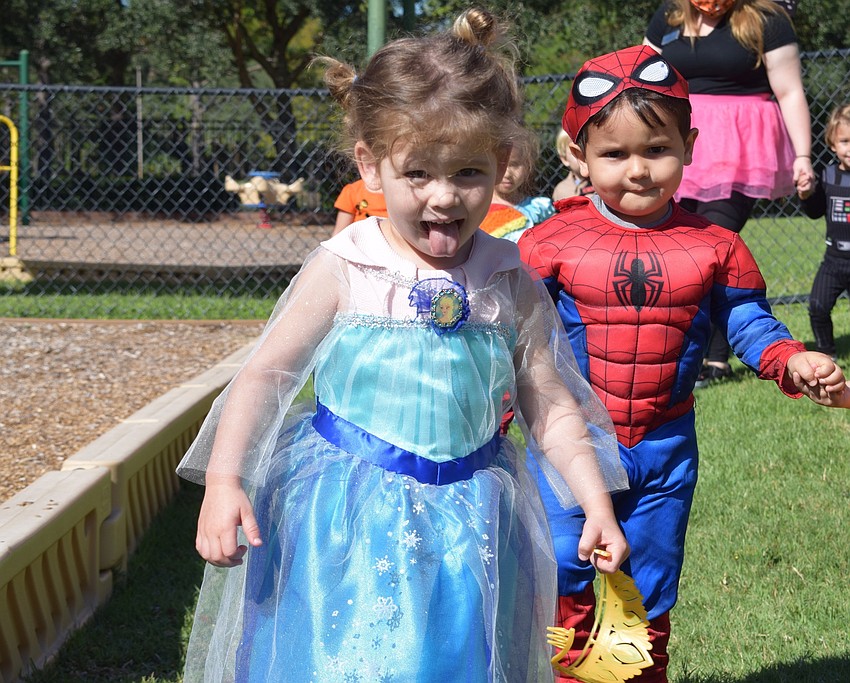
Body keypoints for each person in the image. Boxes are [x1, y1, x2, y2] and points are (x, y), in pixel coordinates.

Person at [176, 9, 631, 682]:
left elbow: (550, 403)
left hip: (472, 518)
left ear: (503, 164)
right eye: (417, 172)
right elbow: (267, 375)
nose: (444, 197)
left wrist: (593, 499)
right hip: (342, 516)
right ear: (370, 166)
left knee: (453, 660)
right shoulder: (346, 265)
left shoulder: (509, 278)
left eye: (469, 173)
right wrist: (224, 479)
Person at [518, 44, 850, 683]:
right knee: (567, 565)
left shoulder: (718, 246)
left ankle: (636, 677)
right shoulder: (547, 244)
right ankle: (575, 677)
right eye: (614, 154)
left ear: (690, 145)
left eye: (656, 149)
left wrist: (792, 360)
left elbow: (749, 323)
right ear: (576, 153)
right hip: (570, 442)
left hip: (666, 446)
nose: (637, 171)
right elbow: (516, 344)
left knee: (648, 578)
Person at [644, 0, 815, 387]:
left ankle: (716, 357)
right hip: (676, 146)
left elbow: (789, 91)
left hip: (740, 147)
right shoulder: (669, 16)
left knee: (712, 245)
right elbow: (640, 78)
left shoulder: (766, 21)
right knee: (674, 246)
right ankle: (677, 353)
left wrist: (802, 155)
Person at [797, 102, 850, 360]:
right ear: (832, 144)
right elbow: (815, 211)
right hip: (834, 261)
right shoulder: (828, 176)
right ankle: (827, 353)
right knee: (818, 305)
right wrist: (807, 195)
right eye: (845, 141)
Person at [480, 136, 556, 242]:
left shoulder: (539, 208)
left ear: (528, 167)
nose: (507, 174)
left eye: (515, 165)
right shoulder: (479, 209)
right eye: (500, 165)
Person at [552, 128, 592, 201]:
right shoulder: (561, 190)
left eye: (587, 150)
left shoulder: (603, 183)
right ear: (565, 159)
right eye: (576, 153)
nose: (584, 157)